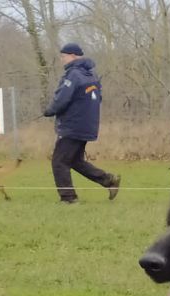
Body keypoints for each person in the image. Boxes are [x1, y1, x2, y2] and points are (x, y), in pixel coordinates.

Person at [43, 42, 121, 204]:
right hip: (87, 125)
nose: (61, 60)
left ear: (72, 56)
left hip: (72, 126)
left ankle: (68, 198)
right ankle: (108, 181)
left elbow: (62, 99)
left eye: (63, 56)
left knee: (59, 161)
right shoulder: (92, 75)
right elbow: (98, 99)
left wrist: (49, 110)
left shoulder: (73, 75)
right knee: (75, 161)